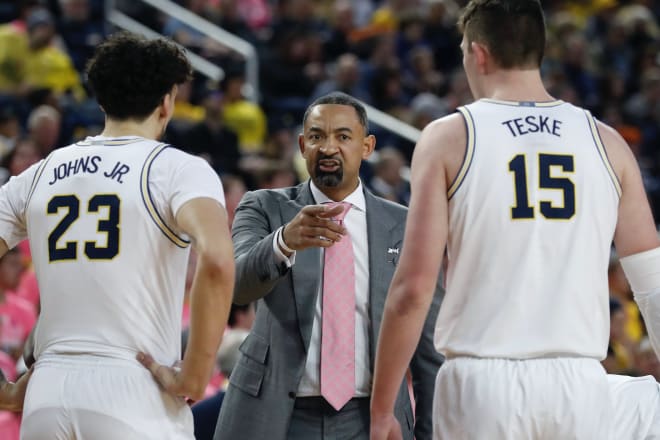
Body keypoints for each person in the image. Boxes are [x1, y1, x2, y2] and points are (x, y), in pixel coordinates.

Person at [369, 1, 660, 439]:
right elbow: (652, 282)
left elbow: (413, 289)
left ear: (479, 53)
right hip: (579, 384)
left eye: (465, 51)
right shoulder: (607, 141)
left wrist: (382, 407)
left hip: (483, 385)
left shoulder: (449, 137)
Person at [0, 31, 235, 439]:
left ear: (101, 101)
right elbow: (216, 260)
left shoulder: (39, 173)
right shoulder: (178, 169)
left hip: (47, 391)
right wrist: (195, 375)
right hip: (136, 389)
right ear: (167, 102)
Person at [212, 91, 443, 440]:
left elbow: (427, 347)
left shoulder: (405, 225)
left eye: (343, 136)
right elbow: (238, 284)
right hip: (278, 415)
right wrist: (284, 240)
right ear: (303, 146)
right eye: (317, 137)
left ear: (367, 147)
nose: (329, 147)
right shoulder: (263, 207)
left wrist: (428, 433)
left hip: (370, 418)